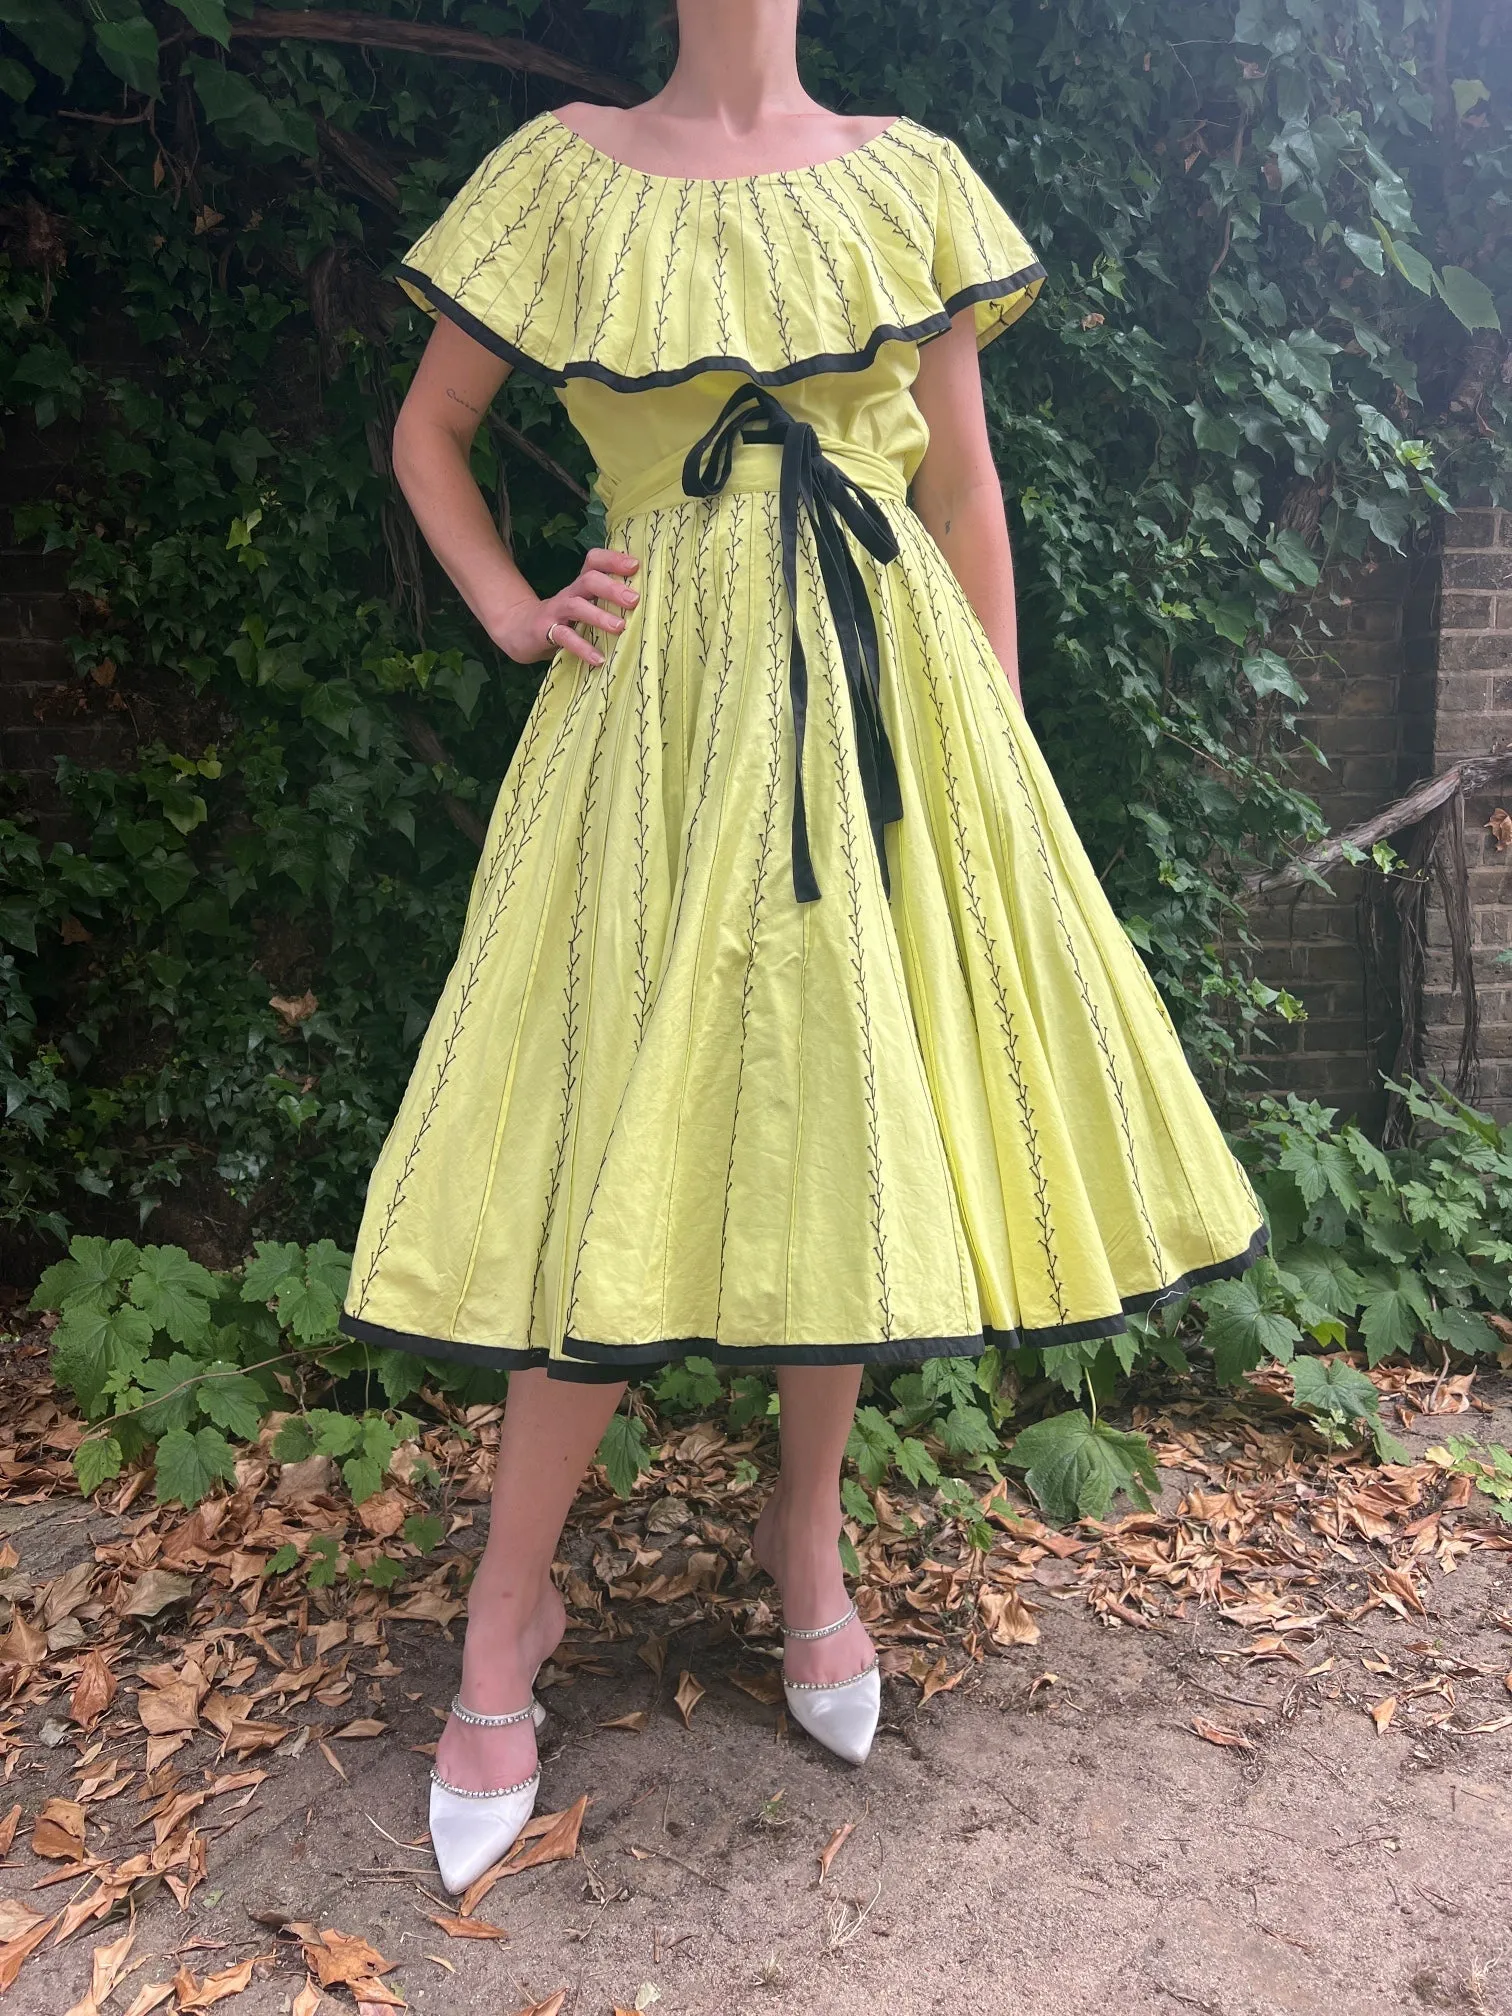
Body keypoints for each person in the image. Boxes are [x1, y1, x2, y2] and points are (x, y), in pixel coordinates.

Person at [337, 0, 1266, 1894]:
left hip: (883, 715)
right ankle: (503, 1620)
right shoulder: (563, 172)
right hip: (657, 717)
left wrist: (991, 751)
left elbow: (962, 482)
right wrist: (520, 608)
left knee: (849, 1111)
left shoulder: (909, 176)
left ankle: (807, 1541)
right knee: (611, 1129)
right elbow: (432, 432)